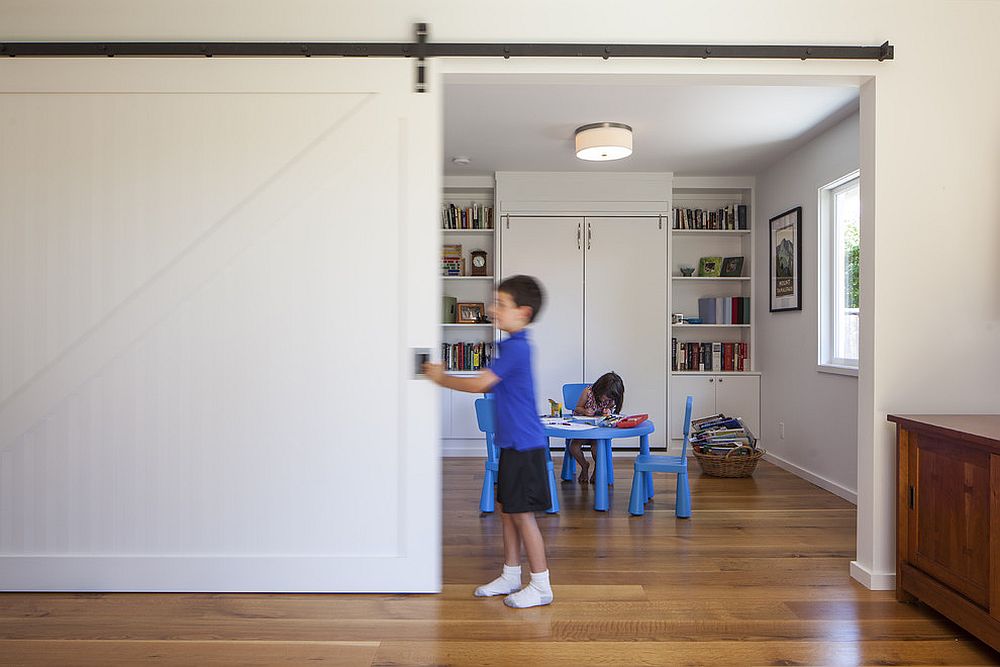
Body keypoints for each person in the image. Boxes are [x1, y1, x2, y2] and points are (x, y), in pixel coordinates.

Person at [423, 275, 553, 609]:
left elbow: (481, 383)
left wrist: (440, 378)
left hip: (525, 446)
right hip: (512, 443)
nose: (493, 310)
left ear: (523, 313)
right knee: (507, 511)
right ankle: (511, 574)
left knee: (523, 515)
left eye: (501, 304)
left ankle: (540, 585)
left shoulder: (518, 347)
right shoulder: (510, 346)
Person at [568, 372, 625, 483]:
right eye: (606, 396)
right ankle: (585, 466)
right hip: (584, 429)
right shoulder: (588, 392)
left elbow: (612, 414)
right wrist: (585, 411)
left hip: (599, 432)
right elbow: (577, 408)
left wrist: (608, 412)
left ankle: (597, 469)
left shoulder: (611, 399)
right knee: (573, 447)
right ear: (600, 388)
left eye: (610, 398)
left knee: (596, 450)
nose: (606, 400)